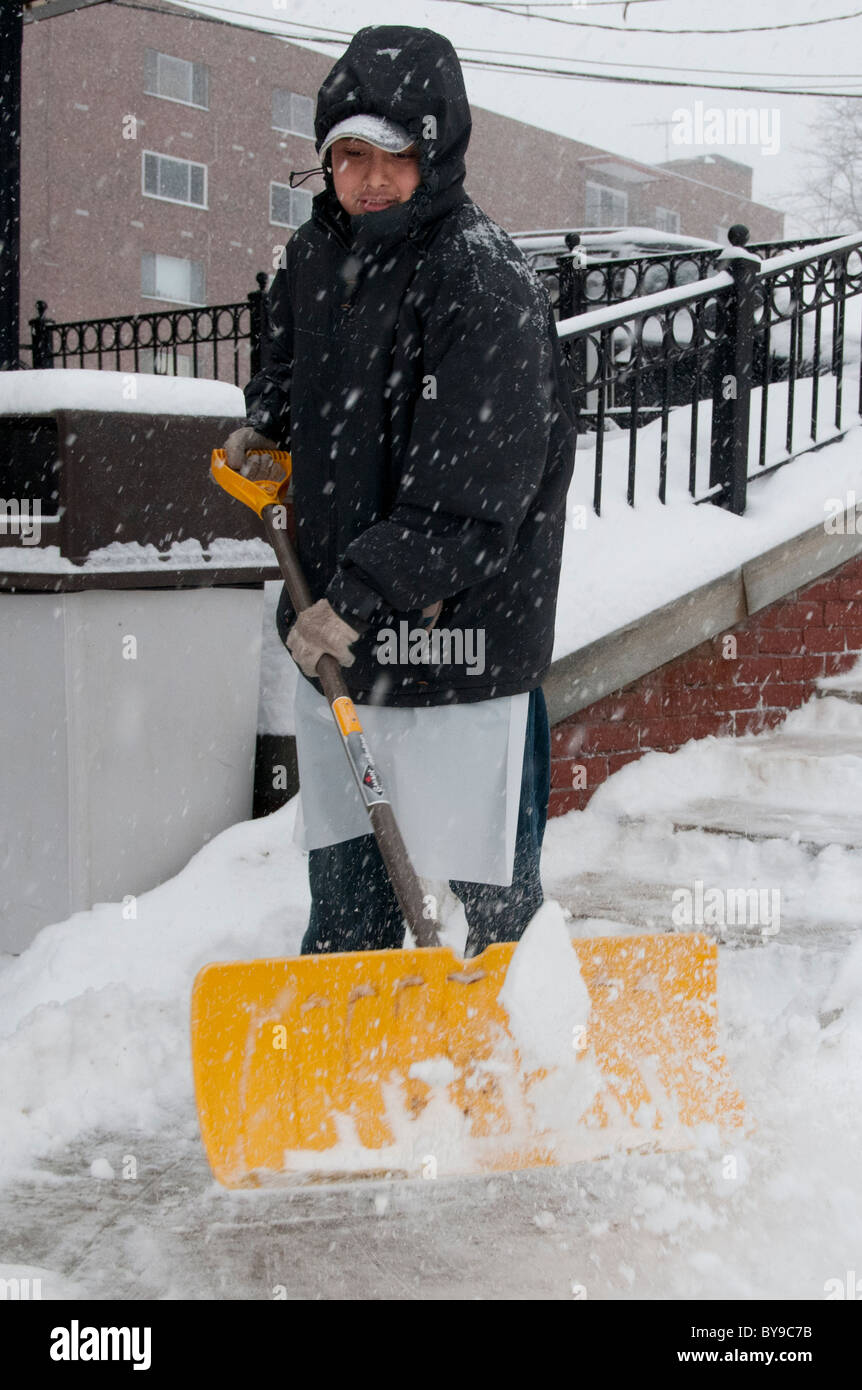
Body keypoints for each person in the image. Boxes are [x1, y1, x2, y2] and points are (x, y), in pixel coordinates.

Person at [223, 24, 576, 958]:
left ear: (436, 151)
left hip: (462, 651)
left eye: (393, 154)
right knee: (348, 909)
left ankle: (528, 1072)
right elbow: (290, 373)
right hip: (343, 641)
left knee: (496, 910)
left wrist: (363, 594)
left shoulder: (481, 276)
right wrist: (270, 429)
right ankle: (357, 1085)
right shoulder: (312, 260)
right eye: (348, 155)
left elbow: (474, 495)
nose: (370, 177)